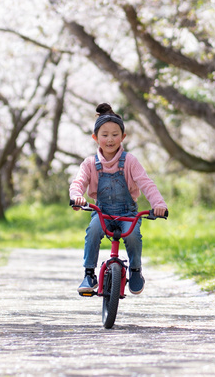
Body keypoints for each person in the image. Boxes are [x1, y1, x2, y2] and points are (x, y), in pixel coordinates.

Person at [70, 103, 168, 296]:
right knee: (93, 231)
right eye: (104, 135)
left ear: (123, 137)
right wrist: (77, 197)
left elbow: (146, 184)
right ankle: (89, 274)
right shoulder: (90, 163)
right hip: (103, 212)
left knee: (132, 236)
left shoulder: (130, 161)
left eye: (115, 134)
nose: (110, 139)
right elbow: (78, 182)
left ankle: (135, 270)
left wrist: (158, 205)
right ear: (95, 138)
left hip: (128, 213)